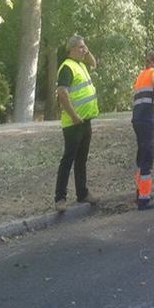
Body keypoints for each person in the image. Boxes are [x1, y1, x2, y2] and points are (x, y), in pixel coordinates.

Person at [54, 35, 100, 212]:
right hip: (73, 123)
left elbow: (94, 63)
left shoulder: (81, 65)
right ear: (71, 49)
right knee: (68, 160)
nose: (84, 50)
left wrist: (87, 52)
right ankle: (60, 198)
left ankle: (83, 193)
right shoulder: (67, 67)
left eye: (84, 47)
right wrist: (73, 116)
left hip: (85, 121)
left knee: (81, 160)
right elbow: (62, 93)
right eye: (80, 47)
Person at [132, 52, 154, 210]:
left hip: (137, 119)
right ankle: (145, 199)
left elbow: (143, 99)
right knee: (147, 157)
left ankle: (139, 193)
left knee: (141, 155)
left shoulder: (140, 76)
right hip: (146, 120)